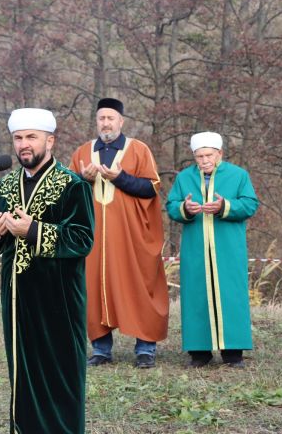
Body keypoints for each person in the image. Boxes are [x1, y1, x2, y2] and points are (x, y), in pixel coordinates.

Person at [0, 107, 94, 434]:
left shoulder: (73, 185)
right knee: (22, 377)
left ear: (50, 140)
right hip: (17, 302)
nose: (24, 145)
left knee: (61, 378)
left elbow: (82, 239)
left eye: (31, 137)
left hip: (58, 301)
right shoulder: (6, 186)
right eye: (18, 138)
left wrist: (33, 231)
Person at [69, 97, 169, 369]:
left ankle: (145, 347)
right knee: (94, 286)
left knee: (138, 284)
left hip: (131, 236)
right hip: (94, 237)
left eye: (110, 118)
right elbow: (67, 196)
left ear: (121, 121)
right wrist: (82, 180)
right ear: (96, 122)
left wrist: (119, 177)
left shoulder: (138, 149)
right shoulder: (82, 152)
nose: (106, 123)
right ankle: (101, 349)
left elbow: (151, 188)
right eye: (101, 118)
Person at [166, 131, 259, 368]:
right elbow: (171, 205)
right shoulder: (185, 178)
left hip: (228, 249)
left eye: (209, 155)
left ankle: (233, 353)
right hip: (196, 249)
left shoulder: (238, 176)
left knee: (231, 296)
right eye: (199, 156)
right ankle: (199, 353)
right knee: (196, 296)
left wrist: (224, 206)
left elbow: (250, 204)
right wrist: (184, 208)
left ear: (220, 154)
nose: (205, 160)